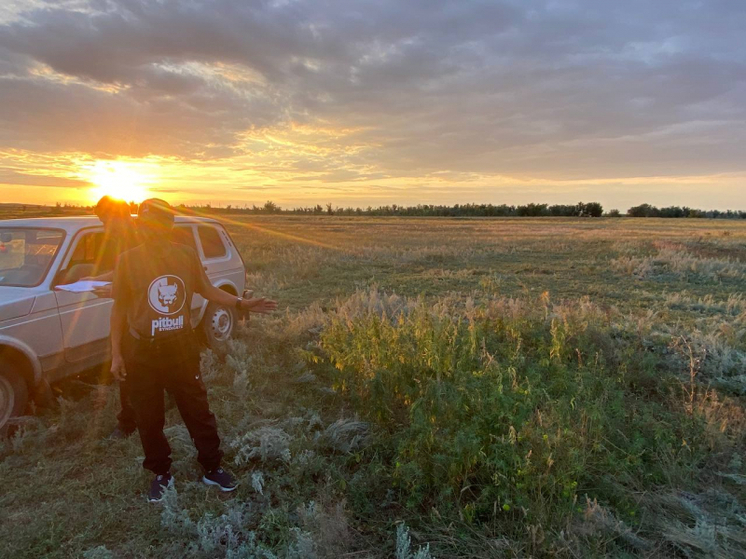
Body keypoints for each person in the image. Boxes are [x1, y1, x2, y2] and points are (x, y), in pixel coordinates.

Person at [109, 198, 278, 502]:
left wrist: (241, 303)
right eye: (147, 226)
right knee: (148, 417)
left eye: (159, 225)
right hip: (141, 352)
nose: (153, 232)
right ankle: (161, 473)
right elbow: (119, 309)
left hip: (181, 348)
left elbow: (207, 289)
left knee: (197, 410)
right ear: (140, 228)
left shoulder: (185, 255)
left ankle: (212, 468)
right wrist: (117, 354)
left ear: (169, 227)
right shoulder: (127, 260)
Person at [91, 196, 139, 439]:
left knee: (131, 366)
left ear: (118, 217)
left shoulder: (143, 238)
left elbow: (148, 274)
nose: (102, 226)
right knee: (126, 365)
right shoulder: (115, 241)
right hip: (125, 311)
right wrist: (90, 279)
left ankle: (128, 423)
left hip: (144, 313)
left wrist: (115, 286)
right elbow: (119, 270)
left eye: (104, 220)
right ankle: (129, 418)